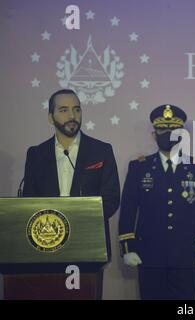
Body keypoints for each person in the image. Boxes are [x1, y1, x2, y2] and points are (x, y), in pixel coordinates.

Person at [21, 88, 121, 299]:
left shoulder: (101, 150)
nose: (72, 116)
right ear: (51, 117)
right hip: (46, 246)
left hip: (89, 246)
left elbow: (111, 199)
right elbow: (29, 201)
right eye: (64, 110)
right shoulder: (36, 154)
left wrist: (77, 220)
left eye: (77, 109)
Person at [118, 104, 195, 300]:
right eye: (163, 130)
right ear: (154, 134)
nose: (168, 134)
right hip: (148, 255)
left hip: (186, 256)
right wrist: (127, 248)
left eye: (173, 130)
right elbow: (128, 209)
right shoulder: (139, 168)